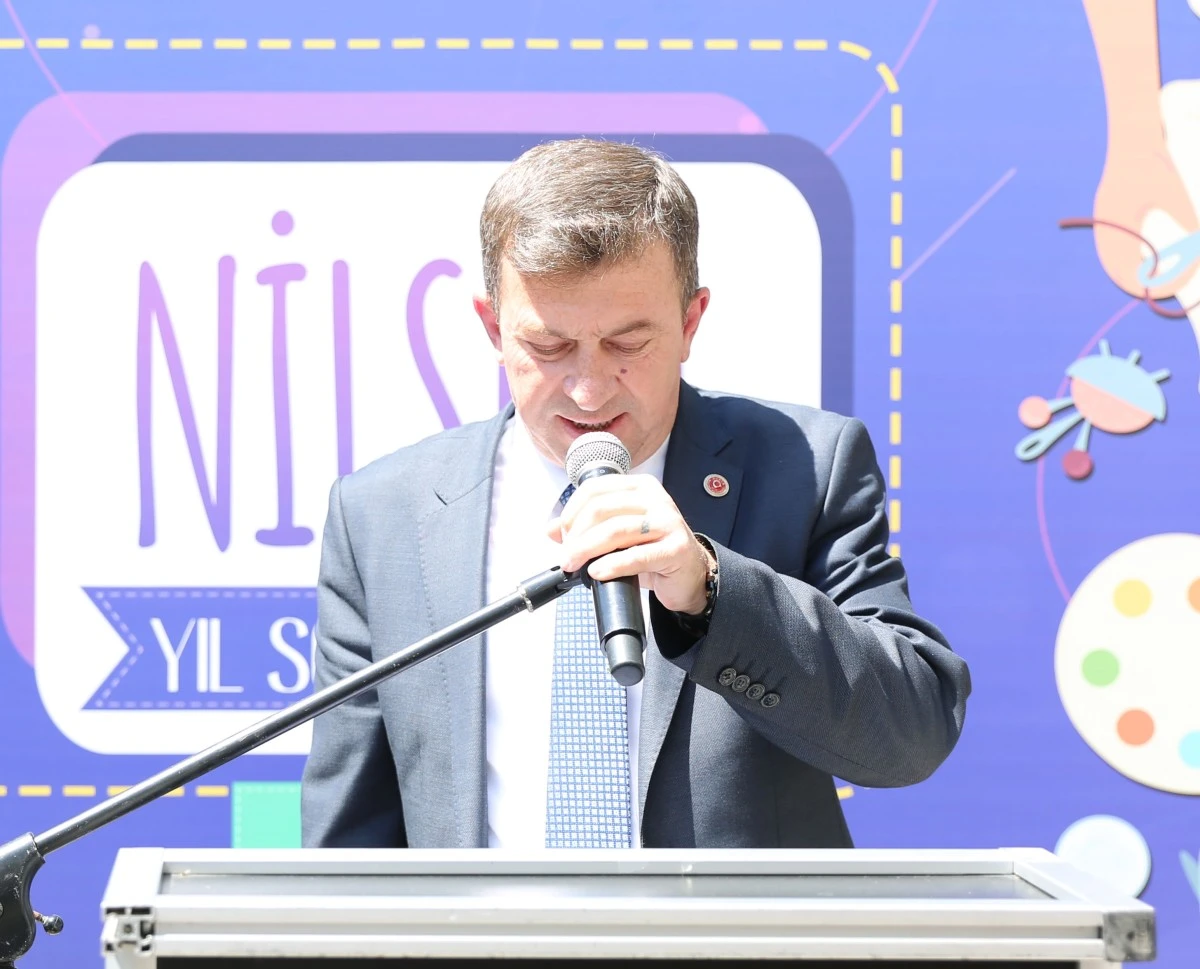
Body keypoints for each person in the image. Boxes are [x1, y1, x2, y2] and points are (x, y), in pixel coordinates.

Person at [300, 138, 971, 850]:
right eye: (549, 347)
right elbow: (348, 848)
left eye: (627, 344)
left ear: (690, 322)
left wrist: (711, 590)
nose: (589, 390)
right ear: (493, 327)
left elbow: (912, 734)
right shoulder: (383, 516)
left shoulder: (807, 466)